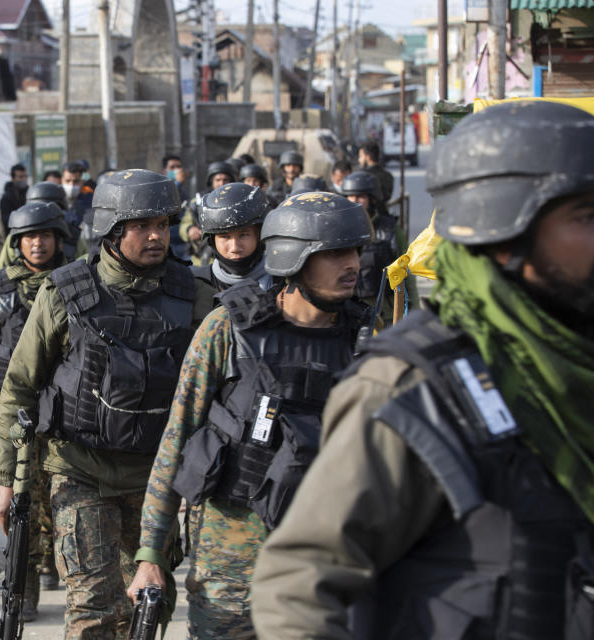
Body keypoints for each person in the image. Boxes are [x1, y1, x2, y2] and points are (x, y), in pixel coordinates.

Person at [250, 100, 594, 639]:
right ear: (505, 226)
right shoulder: (413, 387)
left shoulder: (575, 369)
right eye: (586, 217)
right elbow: (301, 586)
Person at [129, 191, 373, 639]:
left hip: (323, 562)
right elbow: (177, 439)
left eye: (355, 250)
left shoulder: (365, 341)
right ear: (294, 258)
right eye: (335, 252)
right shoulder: (228, 330)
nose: (352, 263)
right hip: (229, 566)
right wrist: (151, 553)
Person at [0, 169, 213, 638]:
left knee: (150, 607)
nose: (156, 236)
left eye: (163, 224)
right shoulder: (64, 292)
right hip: (79, 471)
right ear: (112, 230)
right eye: (141, 226)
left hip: (157, 479)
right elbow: (19, 387)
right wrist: (6, 478)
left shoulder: (194, 295)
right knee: (92, 607)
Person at [0, 201, 70, 620]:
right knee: (20, 500)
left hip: (63, 409)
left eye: (45, 235)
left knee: (59, 498)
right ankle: (25, 583)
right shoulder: (0, 296)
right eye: (29, 237)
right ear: (16, 243)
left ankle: (55, 565)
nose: (37, 244)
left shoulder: (74, 287)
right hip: (16, 413)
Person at [339, 170, 416, 326]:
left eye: (360, 196)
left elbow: (407, 271)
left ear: (372, 199)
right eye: (350, 196)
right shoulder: (339, 230)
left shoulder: (390, 230)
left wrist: (414, 311)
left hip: (383, 313)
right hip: (348, 313)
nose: (354, 201)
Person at [191, 183, 276, 293]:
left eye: (244, 235)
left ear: (259, 235)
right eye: (225, 237)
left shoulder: (283, 281)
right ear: (212, 241)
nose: (235, 247)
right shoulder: (197, 283)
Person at [181, 160, 237, 266]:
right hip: (200, 259)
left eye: (226, 180)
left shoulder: (239, 203)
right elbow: (184, 224)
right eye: (218, 180)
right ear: (211, 181)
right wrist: (189, 230)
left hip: (231, 258)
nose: (221, 183)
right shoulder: (198, 203)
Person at [0, 163, 29, 234]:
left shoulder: (30, 192)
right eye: (20, 177)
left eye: (25, 176)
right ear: (13, 178)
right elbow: (5, 220)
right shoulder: (6, 197)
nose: (24, 179)